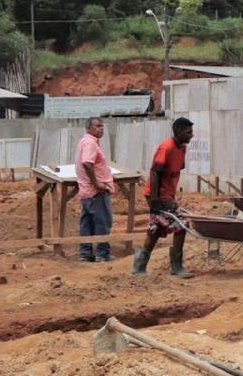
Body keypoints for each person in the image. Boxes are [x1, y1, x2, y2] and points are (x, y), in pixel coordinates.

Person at [131, 117, 195, 277]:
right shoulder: (166, 147)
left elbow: (178, 167)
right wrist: (154, 200)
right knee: (181, 225)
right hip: (158, 195)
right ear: (178, 132)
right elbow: (155, 172)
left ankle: (139, 265)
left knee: (155, 230)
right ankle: (176, 267)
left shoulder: (182, 148)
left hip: (167, 195)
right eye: (188, 132)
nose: (191, 135)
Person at [75, 117, 116, 262]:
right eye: (97, 126)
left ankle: (85, 253)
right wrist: (97, 183)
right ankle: (102, 254)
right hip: (95, 191)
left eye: (102, 126)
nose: (101, 128)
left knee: (87, 223)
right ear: (89, 128)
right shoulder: (90, 143)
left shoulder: (85, 142)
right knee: (102, 222)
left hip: (86, 191)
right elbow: (87, 163)